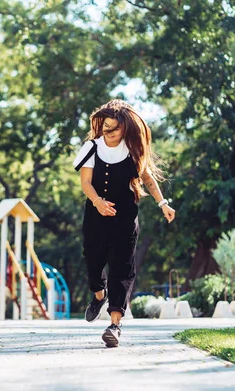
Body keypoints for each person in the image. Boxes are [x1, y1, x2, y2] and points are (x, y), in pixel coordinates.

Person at [73, 99, 175, 347]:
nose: (108, 133)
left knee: (121, 267)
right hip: (96, 214)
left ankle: (115, 325)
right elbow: (86, 182)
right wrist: (98, 201)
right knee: (93, 261)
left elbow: (148, 179)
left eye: (114, 129)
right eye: (105, 127)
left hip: (125, 218)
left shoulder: (132, 150)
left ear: (124, 128)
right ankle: (99, 295)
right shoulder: (91, 147)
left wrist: (163, 204)